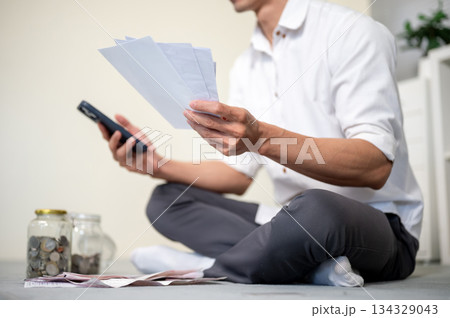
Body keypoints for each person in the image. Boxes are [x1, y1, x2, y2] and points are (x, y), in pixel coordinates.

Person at [98, 0, 423, 286]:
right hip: (291, 221)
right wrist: (158, 166)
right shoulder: (247, 66)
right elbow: (237, 176)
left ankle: (204, 269)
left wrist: (262, 139)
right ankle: (309, 269)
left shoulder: (352, 32)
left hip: (378, 226)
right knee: (167, 199)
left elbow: (376, 165)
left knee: (317, 208)